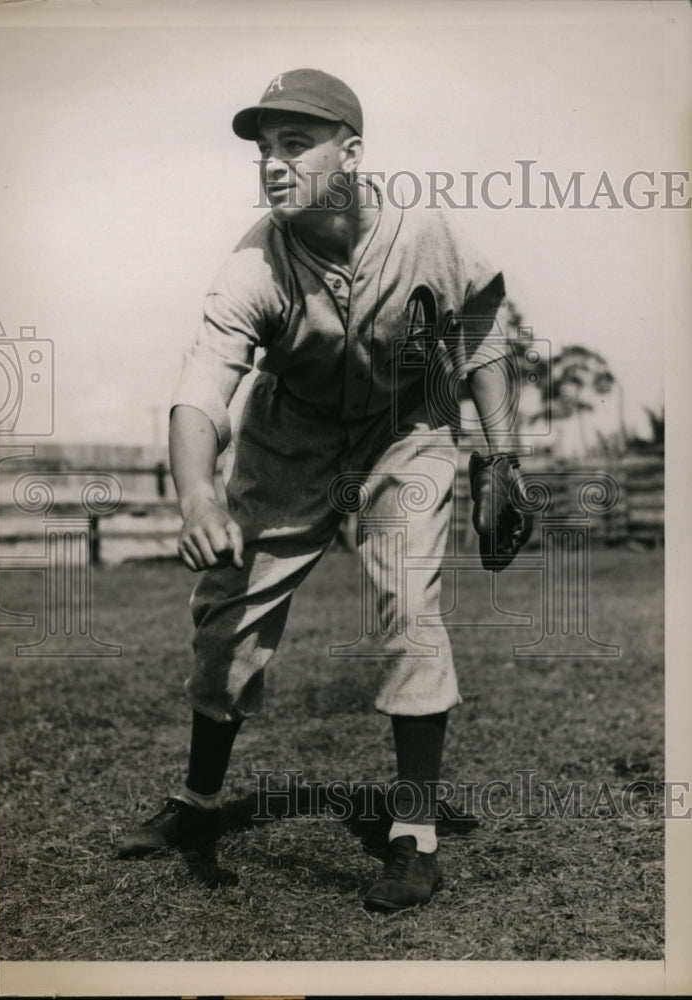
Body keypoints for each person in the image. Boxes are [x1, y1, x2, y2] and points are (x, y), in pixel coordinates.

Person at [119, 68, 518, 911]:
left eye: (294, 144)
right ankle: (199, 802)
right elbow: (201, 388)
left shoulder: (423, 229)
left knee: (410, 608)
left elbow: (480, 325)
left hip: (405, 427)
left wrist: (503, 459)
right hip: (290, 432)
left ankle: (413, 831)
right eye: (265, 149)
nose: (271, 164)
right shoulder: (253, 261)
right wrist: (197, 497)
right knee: (228, 606)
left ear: (353, 153)